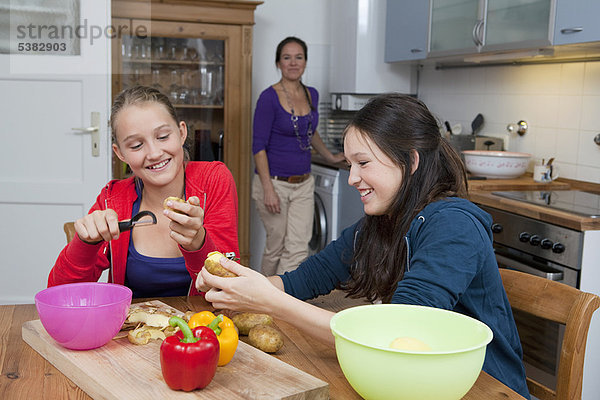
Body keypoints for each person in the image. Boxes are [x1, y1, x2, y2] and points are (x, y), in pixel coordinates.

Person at [198, 93, 530, 399]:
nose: (352, 177)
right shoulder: (384, 222)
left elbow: (395, 332)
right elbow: (307, 278)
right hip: (417, 385)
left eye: (364, 163)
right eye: (351, 164)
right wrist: (240, 288)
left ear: (410, 162)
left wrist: (272, 303)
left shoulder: (455, 225)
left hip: (483, 388)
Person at [48, 85, 239, 297]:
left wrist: (198, 244)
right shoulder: (113, 200)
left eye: (163, 136)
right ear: (120, 153)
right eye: (137, 145)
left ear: (182, 132)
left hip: (202, 328)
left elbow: (229, 291)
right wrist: (85, 243)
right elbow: (60, 295)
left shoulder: (213, 180)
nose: (154, 153)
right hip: (135, 330)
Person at [252, 36, 345, 275]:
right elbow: (258, 146)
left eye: (299, 57)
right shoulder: (268, 97)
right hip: (274, 183)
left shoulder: (311, 94)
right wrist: (268, 189)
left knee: (298, 249)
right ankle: (262, 300)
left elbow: (310, 132)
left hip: (304, 183)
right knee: (276, 247)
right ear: (278, 63)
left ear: (305, 61)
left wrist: (330, 156)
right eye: (287, 57)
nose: (293, 63)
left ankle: (283, 302)